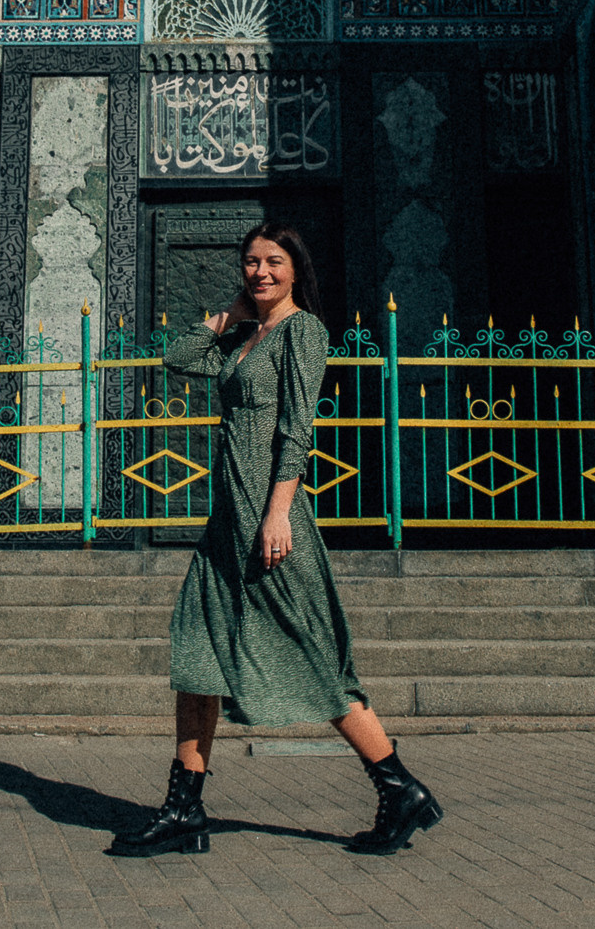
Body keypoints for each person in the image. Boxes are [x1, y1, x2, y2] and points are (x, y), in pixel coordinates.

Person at [108, 221, 442, 858]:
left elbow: (297, 431)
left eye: (273, 262)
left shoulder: (304, 332)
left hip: (270, 521)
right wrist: (227, 316)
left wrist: (279, 512)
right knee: (197, 653)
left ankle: (399, 786)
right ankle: (184, 809)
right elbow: (176, 359)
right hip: (225, 525)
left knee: (312, 658)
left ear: (296, 269)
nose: (260, 272)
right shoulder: (242, 336)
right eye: (251, 263)